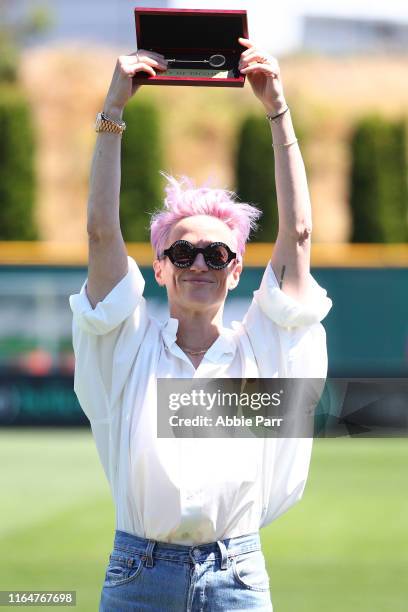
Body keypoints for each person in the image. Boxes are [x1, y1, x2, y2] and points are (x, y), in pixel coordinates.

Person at [69, 37, 332, 612]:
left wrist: (277, 111)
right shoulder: (128, 346)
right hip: (137, 575)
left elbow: (299, 237)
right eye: (183, 253)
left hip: (237, 576)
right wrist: (112, 111)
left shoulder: (262, 348)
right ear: (159, 267)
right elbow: (99, 234)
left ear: (236, 272)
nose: (199, 265)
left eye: (217, 255)